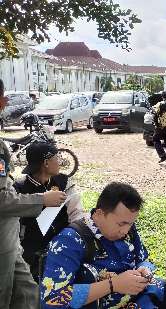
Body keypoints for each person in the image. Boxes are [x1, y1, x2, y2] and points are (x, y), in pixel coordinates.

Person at [40, 182, 166, 309]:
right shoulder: (69, 242)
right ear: (99, 214)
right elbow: (52, 300)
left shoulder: (127, 229)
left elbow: (143, 259)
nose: (126, 230)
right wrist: (112, 285)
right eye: (121, 224)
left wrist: (145, 270)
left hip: (141, 297)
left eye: (131, 223)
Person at [0, 78, 67, 309]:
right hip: (3, 242)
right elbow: (2, 199)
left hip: (9, 239)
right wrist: (42, 200)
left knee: (28, 292)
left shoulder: (61, 181)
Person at [15, 142, 85, 283]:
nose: (60, 161)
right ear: (46, 163)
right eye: (57, 157)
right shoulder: (19, 188)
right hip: (30, 250)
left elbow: (77, 214)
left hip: (63, 241)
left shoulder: (63, 182)